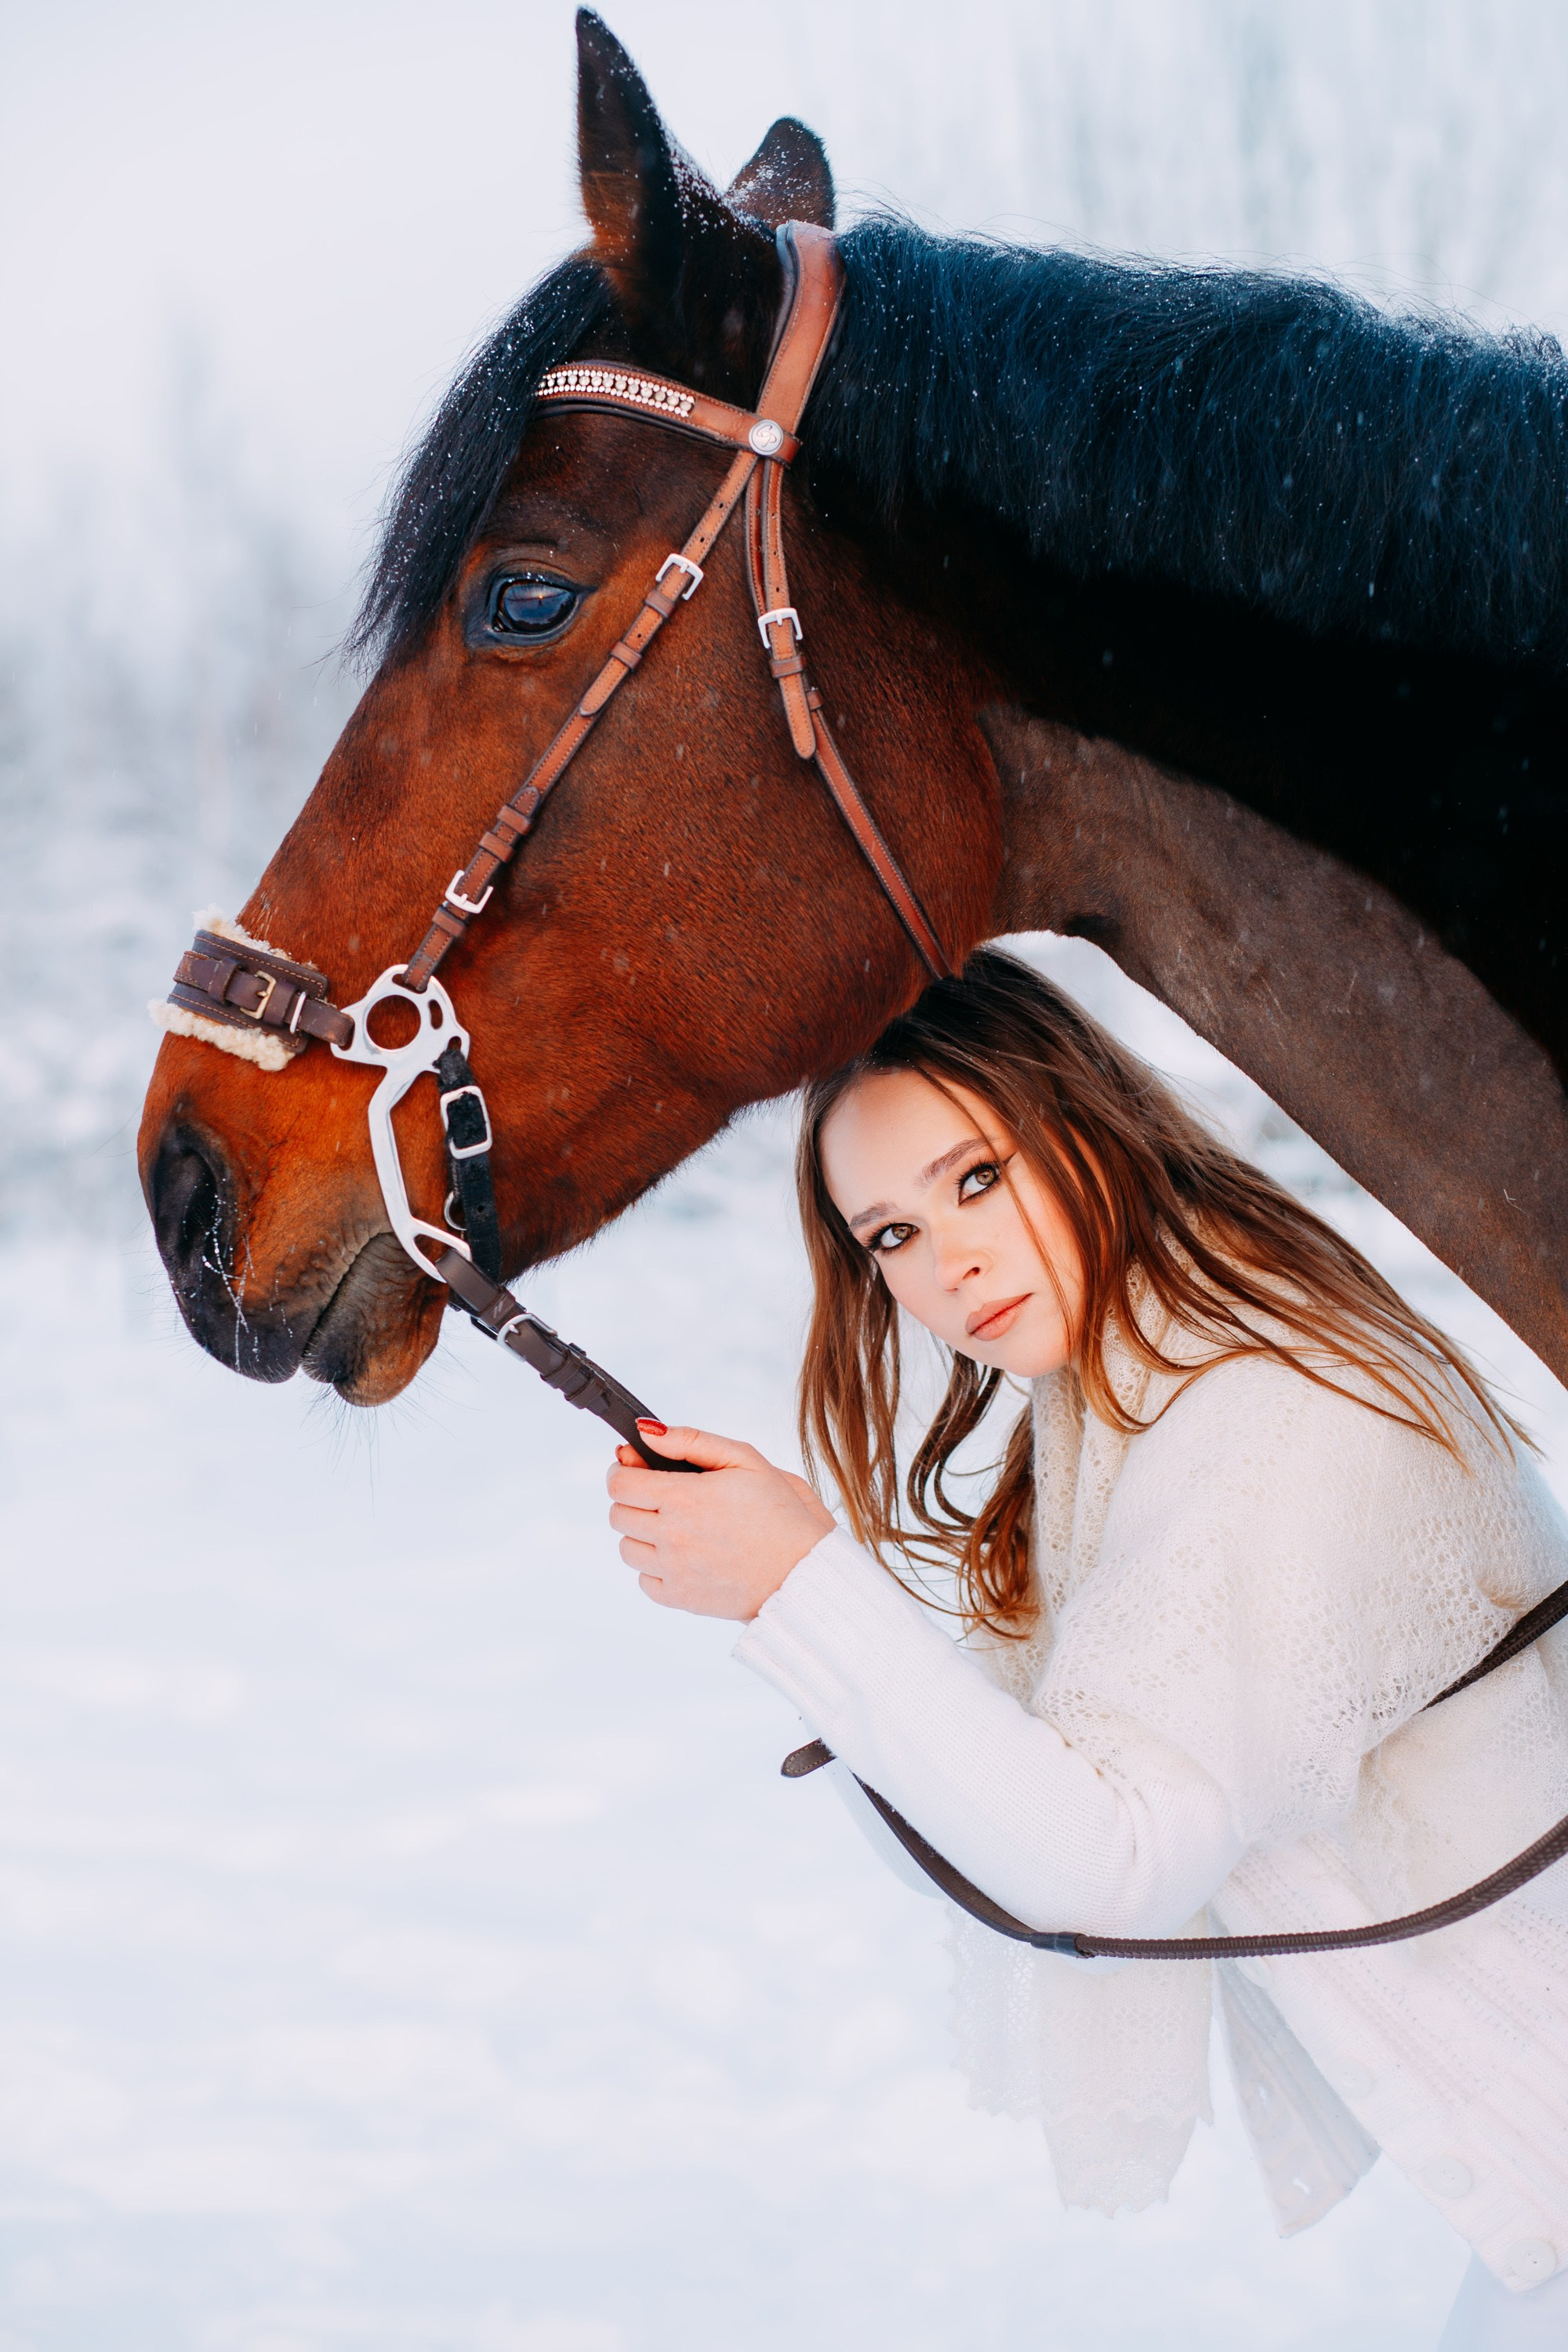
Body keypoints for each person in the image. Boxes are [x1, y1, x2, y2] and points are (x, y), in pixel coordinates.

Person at [605, 949, 1568, 2350]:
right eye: (890, 1237)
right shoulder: (1146, 1403)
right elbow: (1007, 1840)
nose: (949, 1265)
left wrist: (804, 1591)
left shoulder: (1263, 1413)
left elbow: (1109, 1868)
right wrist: (797, 1601)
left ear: (1085, 1121)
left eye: (976, 1179)